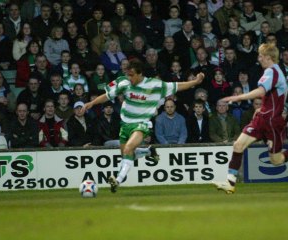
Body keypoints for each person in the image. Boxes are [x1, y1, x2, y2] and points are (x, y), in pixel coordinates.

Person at [81, 59, 205, 193]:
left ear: (140, 74)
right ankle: (148, 151)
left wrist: (195, 82)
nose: (129, 77)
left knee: (128, 148)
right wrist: (91, 103)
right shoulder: (125, 83)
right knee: (127, 155)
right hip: (125, 124)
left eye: (132, 75)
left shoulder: (154, 85)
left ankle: (118, 180)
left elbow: (178, 86)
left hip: (142, 124)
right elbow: (107, 95)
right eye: (128, 74)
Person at [213, 43, 288, 194]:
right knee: (238, 145)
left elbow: (261, 91)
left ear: (268, 57)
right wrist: (261, 109)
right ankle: (230, 182)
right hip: (262, 118)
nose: (259, 59)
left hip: (271, 123)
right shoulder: (272, 72)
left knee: (276, 160)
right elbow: (270, 97)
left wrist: (239, 97)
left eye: (261, 56)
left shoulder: (272, 72)